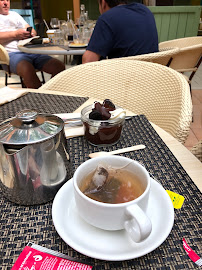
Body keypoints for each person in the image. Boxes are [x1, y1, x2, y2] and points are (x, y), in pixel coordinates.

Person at [0, 0, 65, 88]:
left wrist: (30, 33)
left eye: (7, 0)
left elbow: (31, 29)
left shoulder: (14, 15)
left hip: (30, 50)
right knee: (27, 69)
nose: (5, 3)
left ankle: (49, 92)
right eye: (2, 0)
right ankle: (39, 98)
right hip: (11, 55)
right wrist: (15, 34)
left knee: (59, 66)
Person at [82, 0, 158, 64]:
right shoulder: (145, 11)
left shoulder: (106, 18)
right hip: (153, 77)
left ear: (103, 3)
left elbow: (88, 61)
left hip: (123, 79)